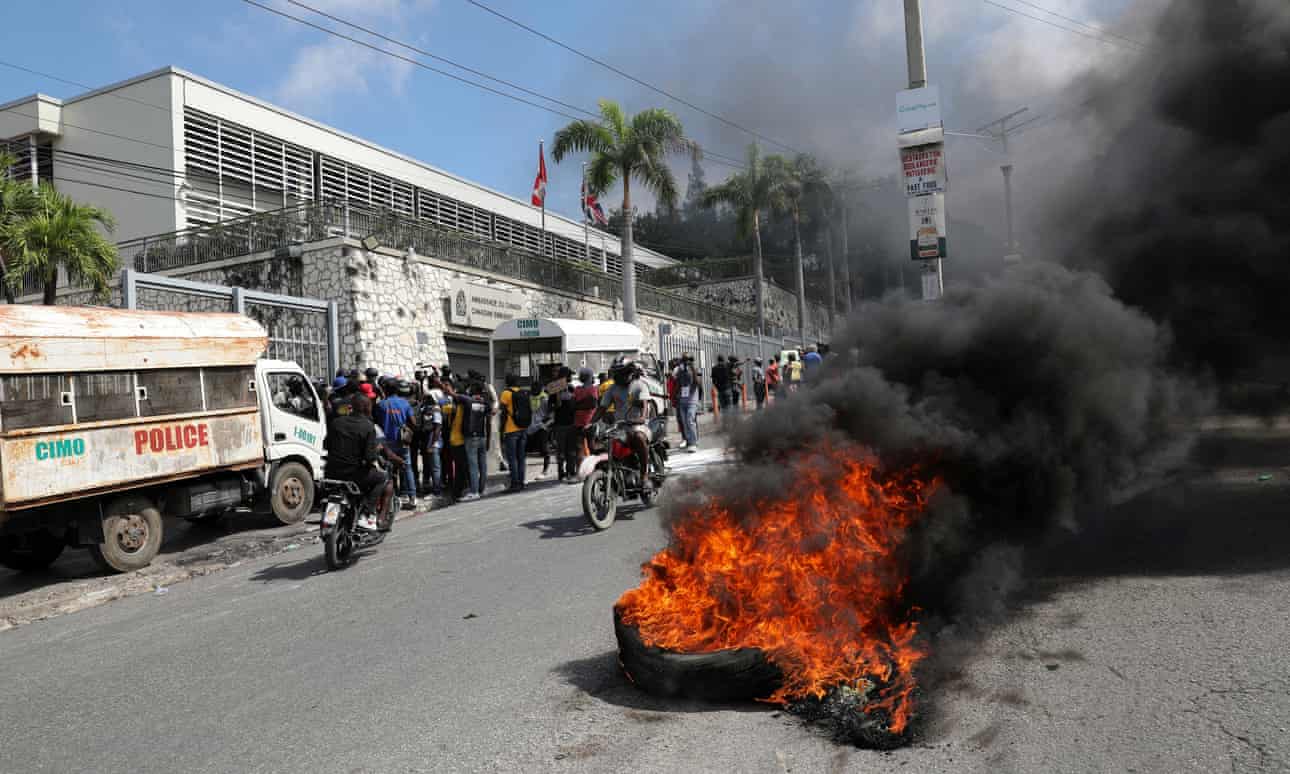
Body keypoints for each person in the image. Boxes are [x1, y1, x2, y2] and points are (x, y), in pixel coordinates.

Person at [324, 394, 387, 531]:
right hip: (354, 474)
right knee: (382, 478)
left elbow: (326, 445)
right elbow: (370, 457)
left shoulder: (336, 423)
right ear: (366, 408)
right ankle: (366, 514)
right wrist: (376, 454)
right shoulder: (368, 426)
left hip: (332, 472)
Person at [590, 358, 654, 492]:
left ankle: (644, 475)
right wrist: (590, 423)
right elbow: (601, 409)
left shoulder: (639, 385)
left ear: (629, 372)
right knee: (604, 441)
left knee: (638, 437)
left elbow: (645, 406)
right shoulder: (613, 389)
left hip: (639, 426)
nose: (617, 376)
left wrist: (641, 418)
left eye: (621, 373)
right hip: (620, 427)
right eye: (616, 373)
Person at [374, 379, 418, 510]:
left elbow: (376, 424)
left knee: (389, 470)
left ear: (385, 390)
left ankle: (392, 498)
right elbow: (414, 423)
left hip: (387, 444)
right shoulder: (405, 404)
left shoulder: (381, 405)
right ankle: (412, 498)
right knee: (407, 468)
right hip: (403, 442)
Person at [498, 374, 531, 492]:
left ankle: (515, 483)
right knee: (521, 457)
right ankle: (521, 482)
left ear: (507, 382)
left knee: (512, 458)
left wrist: (501, 430)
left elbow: (503, 413)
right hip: (523, 428)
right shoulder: (524, 393)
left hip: (511, 429)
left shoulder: (505, 394)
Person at [461, 382, 490, 501]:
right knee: (482, 464)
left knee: (473, 465)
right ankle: (481, 489)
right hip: (482, 436)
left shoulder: (468, 401)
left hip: (471, 437)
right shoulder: (485, 403)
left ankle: (474, 491)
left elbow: (453, 394)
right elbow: (490, 416)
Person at [549, 366, 578, 482]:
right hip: (561, 424)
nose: (571, 377)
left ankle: (570, 472)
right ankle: (562, 473)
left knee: (570, 450)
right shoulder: (554, 388)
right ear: (565, 376)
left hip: (571, 423)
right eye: (570, 375)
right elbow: (550, 407)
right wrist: (557, 399)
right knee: (562, 450)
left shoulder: (571, 388)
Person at [671, 353, 701, 452]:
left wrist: (692, 370)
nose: (685, 362)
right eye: (683, 360)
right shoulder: (679, 370)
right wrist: (675, 396)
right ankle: (689, 441)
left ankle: (693, 443)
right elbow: (678, 384)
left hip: (692, 399)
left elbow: (697, 383)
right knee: (684, 421)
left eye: (686, 360)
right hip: (682, 399)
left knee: (689, 419)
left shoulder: (694, 369)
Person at [572, 367, 599, 470]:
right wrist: (586, 402)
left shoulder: (577, 390)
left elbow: (574, 405)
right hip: (590, 422)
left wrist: (580, 404)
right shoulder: (593, 389)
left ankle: (580, 471)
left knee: (579, 448)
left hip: (578, 422)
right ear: (590, 377)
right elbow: (593, 403)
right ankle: (594, 469)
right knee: (591, 446)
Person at [526, 381, 554, 481]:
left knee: (544, 449)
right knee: (526, 450)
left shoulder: (545, 399)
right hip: (530, 428)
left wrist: (545, 425)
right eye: (532, 388)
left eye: (534, 389)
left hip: (541, 427)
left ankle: (545, 471)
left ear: (540, 389)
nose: (532, 391)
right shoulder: (529, 398)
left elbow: (551, 415)